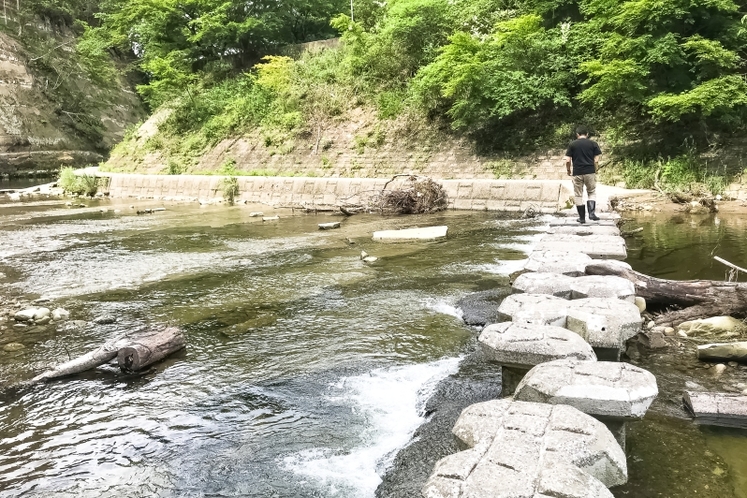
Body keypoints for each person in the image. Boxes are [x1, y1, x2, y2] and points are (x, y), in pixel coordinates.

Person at [563, 126, 602, 223]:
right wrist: (595, 170)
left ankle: (582, 218)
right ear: (587, 134)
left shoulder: (572, 144)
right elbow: (596, 160)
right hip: (590, 171)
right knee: (591, 192)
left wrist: (568, 170)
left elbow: (568, 160)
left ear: (577, 134)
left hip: (577, 172)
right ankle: (592, 214)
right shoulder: (593, 143)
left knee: (578, 195)